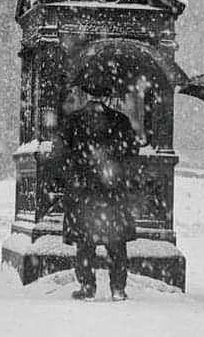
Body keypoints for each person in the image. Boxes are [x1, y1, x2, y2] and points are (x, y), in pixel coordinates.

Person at [50, 81, 139, 302]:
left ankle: (87, 287)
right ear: (107, 97)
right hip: (112, 190)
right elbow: (131, 153)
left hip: (84, 191)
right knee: (116, 242)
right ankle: (118, 288)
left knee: (85, 241)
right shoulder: (120, 120)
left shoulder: (73, 120)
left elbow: (60, 153)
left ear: (86, 94)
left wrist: (71, 175)